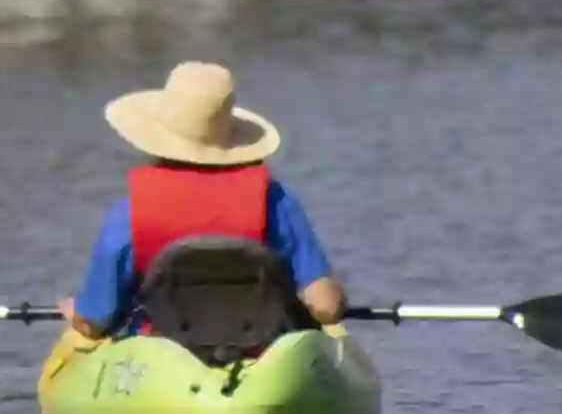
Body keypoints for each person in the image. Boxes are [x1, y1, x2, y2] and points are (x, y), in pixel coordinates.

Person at [57, 61, 346, 342]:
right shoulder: (275, 201)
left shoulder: (128, 213)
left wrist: (76, 314)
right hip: (259, 349)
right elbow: (325, 306)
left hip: (159, 347)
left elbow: (94, 321)